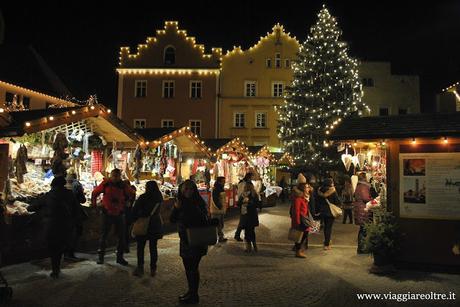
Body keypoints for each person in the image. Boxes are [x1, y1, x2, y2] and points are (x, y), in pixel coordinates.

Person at [28, 176, 79, 278]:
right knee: (60, 246)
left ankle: (55, 269)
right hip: (65, 225)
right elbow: (76, 209)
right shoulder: (70, 194)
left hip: (51, 225)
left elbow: (31, 208)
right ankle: (57, 268)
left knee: (53, 247)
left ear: (53, 185)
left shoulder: (48, 195)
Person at [170, 180, 209, 304]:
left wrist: (188, 210)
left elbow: (201, 220)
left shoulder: (197, 203)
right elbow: (172, 219)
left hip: (196, 239)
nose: (188, 191)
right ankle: (191, 292)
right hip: (185, 240)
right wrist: (176, 208)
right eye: (186, 189)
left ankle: (193, 295)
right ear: (181, 190)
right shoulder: (180, 202)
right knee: (188, 267)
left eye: (191, 189)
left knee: (192, 267)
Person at [91, 168, 135, 265]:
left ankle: (120, 257)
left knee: (121, 237)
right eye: (114, 176)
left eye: (117, 176)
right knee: (104, 236)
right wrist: (94, 205)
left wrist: (129, 203)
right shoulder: (105, 184)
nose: (115, 178)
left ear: (120, 176)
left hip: (119, 213)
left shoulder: (123, 185)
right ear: (111, 175)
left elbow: (132, 193)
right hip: (107, 213)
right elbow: (95, 193)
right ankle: (101, 257)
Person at [131, 181, 163, 277]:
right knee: (153, 247)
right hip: (155, 223)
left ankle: (140, 268)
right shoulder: (159, 197)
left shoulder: (143, 198)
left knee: (140, 247)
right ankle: (153, 269)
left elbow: (135, 211)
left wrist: (134, 219)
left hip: (143, 224)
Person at [65, 173, 87, 261]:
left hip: (64, 213)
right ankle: (70, 254)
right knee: (76, 232)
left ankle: (66, 253)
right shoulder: (77, 185)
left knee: (67, 233)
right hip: (75, 212)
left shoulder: (63, 184)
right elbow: (82, 199)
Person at [317, 178, 342, 250]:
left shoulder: (320, 190)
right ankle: (327, 244)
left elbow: (317, 201)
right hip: (330, 212)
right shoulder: (332, 190)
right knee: (328, 227)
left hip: (322, 211)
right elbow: (337, 201)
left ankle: (326, 241)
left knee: (325, 227)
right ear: (330, 183)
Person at [290, 174, 311, 258]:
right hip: (300, 219)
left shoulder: (304, 197)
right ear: (303, 188)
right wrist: (297, 222)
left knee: (304, 233)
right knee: (300, 235)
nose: (308, 188)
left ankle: (299, 249)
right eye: (306, 187)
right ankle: (298, 251)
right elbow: (296, 211)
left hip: (304, 218)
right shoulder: (298, 198)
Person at [238, 181, 261, 253]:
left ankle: (253, 245)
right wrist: (242, 202)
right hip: (244, 215)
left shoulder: (254, 195)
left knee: (250, 231)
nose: (246, 187)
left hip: (251, 215)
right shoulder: (242, 195)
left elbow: (257, 204)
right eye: (245, 186)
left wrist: (249, 203)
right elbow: (238, 203)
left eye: (247, 186)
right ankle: (248, 247)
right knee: (247, 231)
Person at [353, 173, 373, 254]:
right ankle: (362, 249)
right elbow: (365, 198)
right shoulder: (363, 186)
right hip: (363, 210)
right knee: (363, 230)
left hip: (360, 209)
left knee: (363, 229)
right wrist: (372, 199)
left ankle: (361, 248)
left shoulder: (359, 185)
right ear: (364, 178)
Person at [234, 172, 253, 241]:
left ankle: (239, 235)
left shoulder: (240, 182)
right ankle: (239, 235)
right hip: (244, 204)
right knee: (243, 221)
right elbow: (244, 193)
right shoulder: (246, 184)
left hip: (241, 202)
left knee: (243, 220)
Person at [210, 177, 228, 243]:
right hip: (217, 210)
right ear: (219, 181)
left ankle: (220, 237)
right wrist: (219, 206)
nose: (224, 182)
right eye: (223, 181)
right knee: (217, 225)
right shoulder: (217, 189)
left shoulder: (220, 188)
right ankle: (216, 238)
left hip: (220, 210)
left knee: (220, 224)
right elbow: (215, 199)